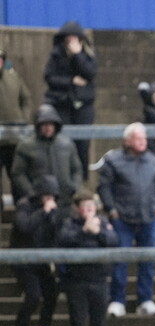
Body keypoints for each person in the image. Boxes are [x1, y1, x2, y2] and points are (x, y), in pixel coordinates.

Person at [98, 122, 155, 319]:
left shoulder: (153, 160)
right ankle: (118, 300)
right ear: (127, 141)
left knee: (148, 260)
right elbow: (104, 186)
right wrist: (111, 209)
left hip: (149, 217)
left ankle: (145, 299)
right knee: (120, 260)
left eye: (144, 138)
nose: (142, 142)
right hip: (123, 218)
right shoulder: (113, 160)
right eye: (138, 138)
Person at [57, 190, 118, 326]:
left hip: (99, 280)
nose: (89, 210)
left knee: (99, 324)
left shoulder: (104, 222)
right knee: (78, 323)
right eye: (85, 207)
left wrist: (98, 232)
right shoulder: (69, 224)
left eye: (91, 206)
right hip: (76, 281)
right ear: (77, 208)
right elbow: (64, 240)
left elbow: (113, 240)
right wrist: (84, 231)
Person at [3, 176, 63, 326]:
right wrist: (43, 212)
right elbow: (25, 226)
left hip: (42, 260)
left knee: (51, 295)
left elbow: (56, 233)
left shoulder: (52, 210)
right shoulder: (25, 205)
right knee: (34, 295)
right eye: (46, 196)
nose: (49, 200)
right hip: (23, 260)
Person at [43, 21, 96, 180]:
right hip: (62, 104)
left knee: (82, 146)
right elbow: (50, 78)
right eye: (68, 37)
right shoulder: (57, 55)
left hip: (83, 106)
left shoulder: (88, 54)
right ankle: (63, 179)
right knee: (63, 144)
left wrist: (78, 55)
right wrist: (71, 80)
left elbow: (90, 73)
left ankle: (82, 181)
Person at [11, 104, 82, 204]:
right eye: (44, 124)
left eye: (51, 124)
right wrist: (30, 192)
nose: (48, 128)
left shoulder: (67, 144)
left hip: (65, 198)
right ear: (38, 126)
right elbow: (18, 174)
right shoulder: (26, 146)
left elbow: (76, 170)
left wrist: (74, 187)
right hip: (37, 199)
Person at [0, 48, 31, 205]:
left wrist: (22, 120)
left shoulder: (14, 78)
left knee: (18, 180)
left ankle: (21, 218)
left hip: (14, 140)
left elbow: (26, 99)